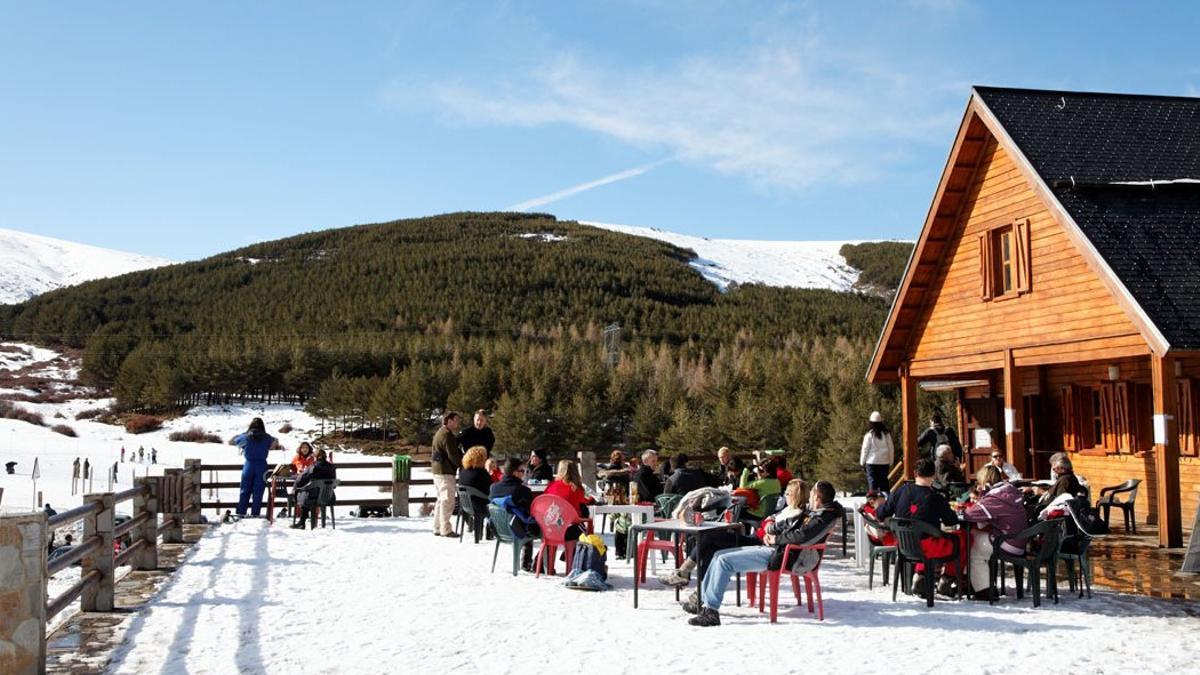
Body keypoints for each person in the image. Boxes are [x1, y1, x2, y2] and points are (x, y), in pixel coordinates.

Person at [687, 481, 844, 626]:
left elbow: (802, 536)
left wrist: (776, 538)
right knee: (718, 556)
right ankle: (705, 604)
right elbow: (793, 528)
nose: (809, 498)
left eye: (811, 495)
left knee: (724, 561)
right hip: (777, 549)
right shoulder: (818, 513)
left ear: (817, 497)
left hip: (783, 555)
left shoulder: (823, 516)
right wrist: (774, 531)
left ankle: (711, 611)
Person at [662, 479, 809, 589]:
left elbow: (775, 530)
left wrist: (770, 524)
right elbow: (768, 521)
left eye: (788, 493)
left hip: (759, 544)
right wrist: (770, 520)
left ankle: (684, 573)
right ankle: (700, 592)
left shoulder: (796, 514)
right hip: (755, 539)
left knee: (709, 536)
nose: (786, 495)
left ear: (795, 495)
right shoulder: (788, 510)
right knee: (711, 546)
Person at [876, 458, 960, 597]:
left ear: (915, 473)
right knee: (958, 540)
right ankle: (946, 578)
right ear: (933, 475)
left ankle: (922, 576)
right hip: (927, 547)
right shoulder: (935, 497)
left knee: (927, 537)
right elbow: (951, 521)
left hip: (903, 544)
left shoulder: (900, 491)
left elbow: (881, 513)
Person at [960, 465, 1027, 600]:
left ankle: (984, 590)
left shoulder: (996, 498)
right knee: (973, 536)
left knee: (971, 544)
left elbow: (970, 514)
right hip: (1019, 541)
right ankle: (971, 581)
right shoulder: (1010, 491)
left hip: (1008, 543)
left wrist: (979, 496)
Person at [490, 457, 538, 570]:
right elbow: (529, 511)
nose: (523, 474)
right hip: (517, 530)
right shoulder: (522, 490)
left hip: (499, 529)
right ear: (515, 473)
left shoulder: (493, 488)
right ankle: (528, 562)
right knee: (531, 523)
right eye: (522, 471)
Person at [233, 418, 276, 518]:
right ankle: (255, 513)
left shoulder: (245, 437)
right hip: (262, 465)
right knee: (258, 491)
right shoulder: (267, 438)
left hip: (249, 465)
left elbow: (236, 440)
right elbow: (274, 441)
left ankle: (241, 512)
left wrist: (246, 433)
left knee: (244, 489)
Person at [430, 411, 463, 537]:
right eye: (456, 420)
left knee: (441, 500)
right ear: (449, 421)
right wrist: (462, 465)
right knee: (448, 500)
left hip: (438, 471)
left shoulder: (440, 432)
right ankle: (446, 529)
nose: (458, 422)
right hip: (445, 472)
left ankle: (437, 527)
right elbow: (453, 455)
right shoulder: (447, 435)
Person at [545, 460, 593, 540]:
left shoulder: (551, 486)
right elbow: (582, 502)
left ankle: (557, 552)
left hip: (552, 527)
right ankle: (571, 552)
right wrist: (591, 499)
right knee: (582, 517)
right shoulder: (576, 488)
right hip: (571, 527)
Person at [291, 448, 337, 529]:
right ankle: (303, 522)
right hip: (328, 497)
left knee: (302, 494)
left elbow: (301, 479)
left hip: (313, 497)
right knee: (307, 494)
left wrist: (296, 487)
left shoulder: (313, 467)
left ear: (316, 456)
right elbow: (334, 484)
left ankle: (302, 522)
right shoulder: (332, 467)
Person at [860, 411, 894, 493]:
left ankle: (872, 502)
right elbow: (891, 448)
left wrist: (862, 462)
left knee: (873, 483)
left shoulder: (869, 435)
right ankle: (886, 501)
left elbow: (865, 449)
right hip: (884, 462)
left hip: (871, 463)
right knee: (884, 484)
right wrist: (891, 461)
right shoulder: (886, 435)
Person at [457, 446, 494, 520]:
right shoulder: (481, 473)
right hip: (480, 506)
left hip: (466, 505)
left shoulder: (463, 472)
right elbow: (491, 489)